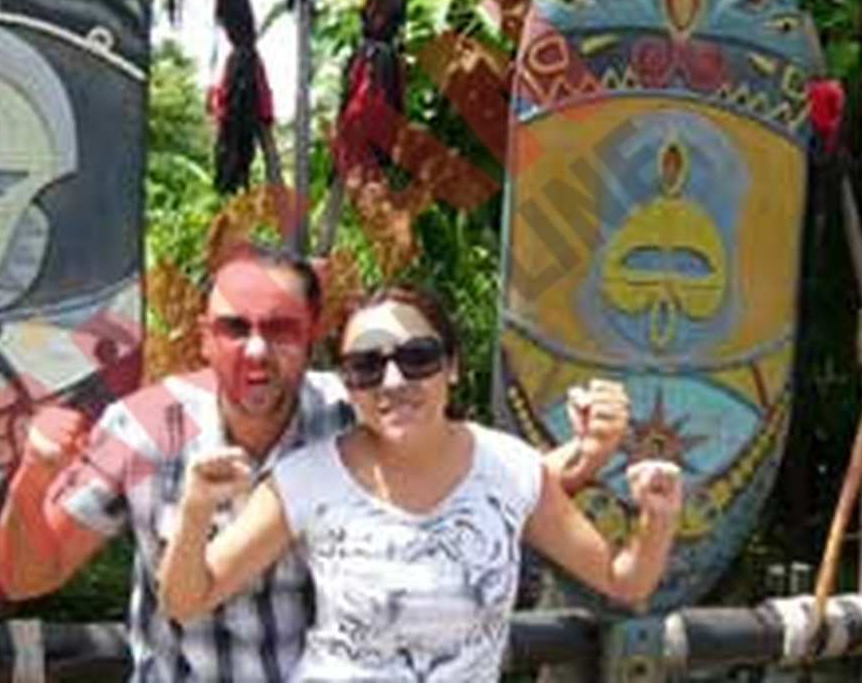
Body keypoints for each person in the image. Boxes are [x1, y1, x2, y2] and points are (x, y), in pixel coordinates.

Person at [0, 245, 633, 681]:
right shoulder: (143, 430)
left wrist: (585, 454)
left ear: (311, 335)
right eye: (234, 328)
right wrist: (34, 476)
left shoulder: (354, 408)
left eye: (280, 329)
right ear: (203, 336)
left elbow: (478, 482)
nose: (256, 350)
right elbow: (28, 577)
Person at [156, 284, 682, 681]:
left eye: (417, 359)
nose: (393, 382)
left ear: (452, 366)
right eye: (366, 366)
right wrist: (196, 509)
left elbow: (624, 581)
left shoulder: (511, 470)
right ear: (347, 385)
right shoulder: (308, 478)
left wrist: (657, 515)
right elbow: (185, 599)